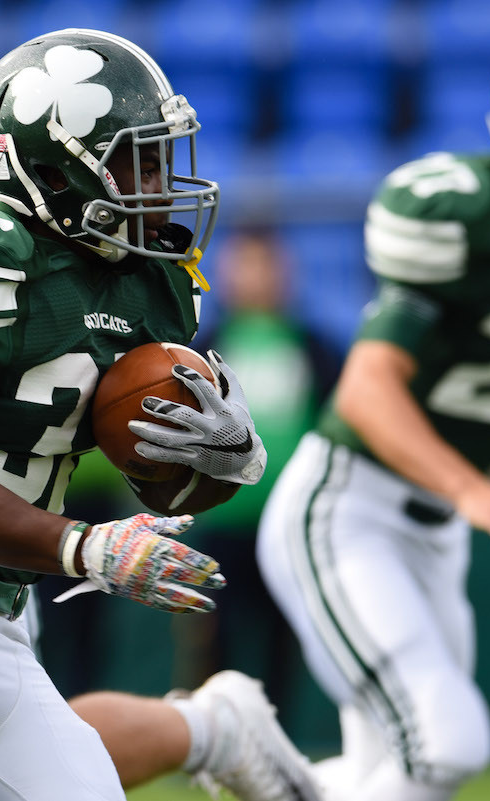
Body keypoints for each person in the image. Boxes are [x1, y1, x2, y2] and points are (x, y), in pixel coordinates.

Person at [0, 28, 320, 801]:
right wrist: (85, 548)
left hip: (5, 614)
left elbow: (163, 490)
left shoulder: (144, 288)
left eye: (160, 158)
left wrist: (215, 458)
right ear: (50, 171)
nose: (158, 183)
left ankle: (217, 728)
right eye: (134, 161)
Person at [256, 19, 490, 801]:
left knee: (403, 770)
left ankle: (261, 767)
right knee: (446, 740)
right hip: (347, 508)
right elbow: (366, 385)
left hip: (434, 533)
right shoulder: (467, 214)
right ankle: (232, 738)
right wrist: (477, 489)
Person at [172, 229, 340, 716]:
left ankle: (277, 745)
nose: (258, 277)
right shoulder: (203, 348)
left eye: (267, 264)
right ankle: (212, 741)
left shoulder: (313, 348)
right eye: (246, 265)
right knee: (214, 641)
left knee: (282, 644)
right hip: (221, 523)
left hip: (290, 524)